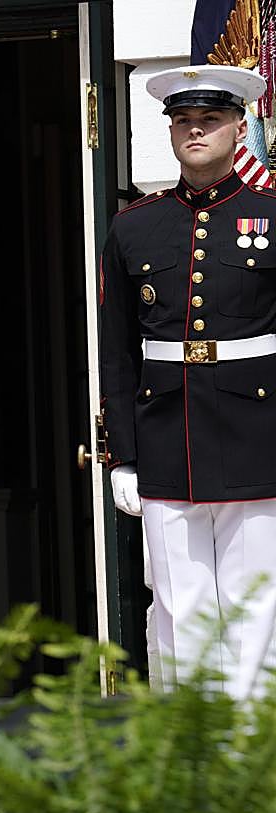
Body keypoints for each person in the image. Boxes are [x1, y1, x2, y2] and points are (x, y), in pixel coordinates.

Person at [99, 65, 276, 699]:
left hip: (259, 437)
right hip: (166, 438)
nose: (195, 131)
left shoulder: (269, 215)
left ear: (239, 127)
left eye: (210, 120)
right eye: (183, 121)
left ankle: (253, 757)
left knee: (258, 607)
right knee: (178, 605)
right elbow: (117, 351)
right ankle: (190, 756)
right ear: (170, 130)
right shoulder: (134, 227)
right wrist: (123, 453)